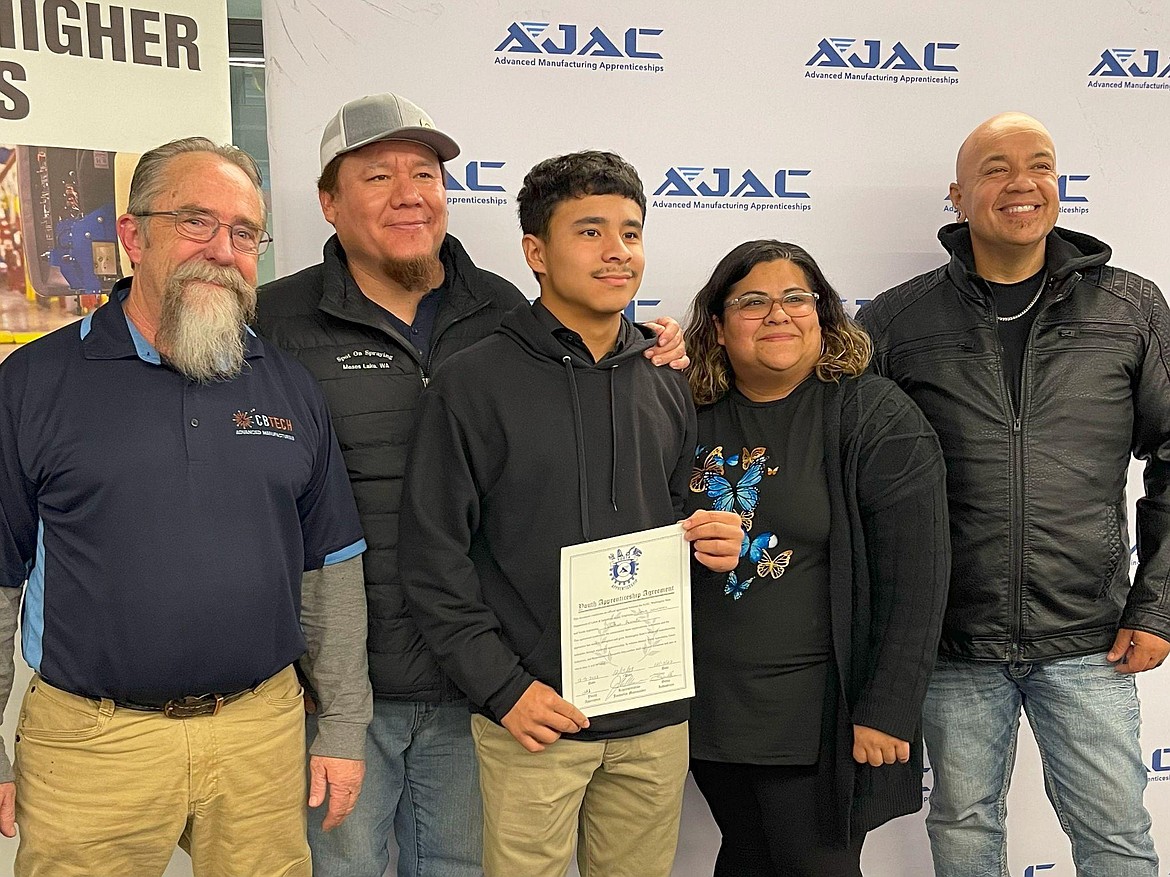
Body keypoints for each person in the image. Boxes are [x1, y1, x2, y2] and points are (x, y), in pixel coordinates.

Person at [255, 93, 688, 877]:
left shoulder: (502, 311)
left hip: (481, 688)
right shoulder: (273, 323)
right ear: (327, 200)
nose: (409, 192)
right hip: (344, 683)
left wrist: (651, 352)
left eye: (425, 172)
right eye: (378, 175)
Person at [0, 138, 371, 876]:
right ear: (134, 236)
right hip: (92, 745)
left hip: (261, 735)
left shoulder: (289, 387)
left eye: (244, 232)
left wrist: (345, 727)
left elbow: (329, 569)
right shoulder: (34, 382)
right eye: (197, 221)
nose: (223, 249)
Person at [398, 150, 741, 877]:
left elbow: (680, 508)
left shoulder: (665, 376)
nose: (618, 251)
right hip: (535, 720)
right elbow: (434, 559)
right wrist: (505, 689)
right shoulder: (472, 381)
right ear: (536, 252)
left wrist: (712, 537)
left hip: (652, 721)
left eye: (631, 231)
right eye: (589, 231)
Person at [858, 112, 1169, 876]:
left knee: (1117, 837)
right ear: (959, 195)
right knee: (965, 832)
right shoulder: (897, 319)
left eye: (1040, 164)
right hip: (951, 638)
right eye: (996, 168)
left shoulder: (1130, 307)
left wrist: (1158, 602)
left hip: (1091, 638)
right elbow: (834, 447)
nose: (1021, 182)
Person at [681, 240, 949, 876]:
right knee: (744, 860)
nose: (778, 314)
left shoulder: (873, 415)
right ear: (717, 326)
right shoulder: (681, 412)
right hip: (709, 712)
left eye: (796, 298)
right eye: (753, 302)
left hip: (818, 721)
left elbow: (918, 579)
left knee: (814, 865)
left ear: (824, 316)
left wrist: (887, 710)